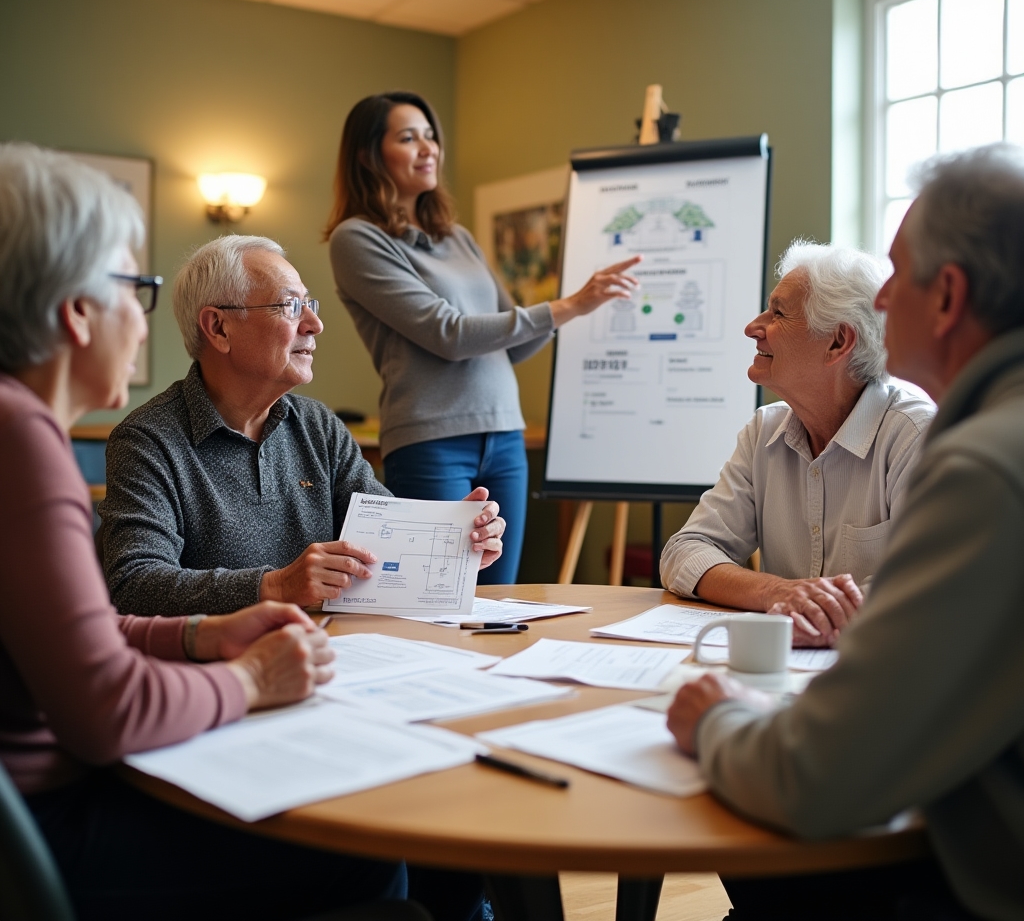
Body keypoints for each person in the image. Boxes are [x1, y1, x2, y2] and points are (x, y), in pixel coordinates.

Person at [0, 143, 407, 920]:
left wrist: (200, 637)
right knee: (370, 856)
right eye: (134, 287)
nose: (145, 315)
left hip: (47, 806)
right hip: (49, 831)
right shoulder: (26, 443)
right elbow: (105, 710)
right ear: (76, 312)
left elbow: (85, 630)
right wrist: (252, 679)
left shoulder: (17, 429)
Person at [667, 144, 1024, 921]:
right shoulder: (772, 431)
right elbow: (686, 551)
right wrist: (781, 591)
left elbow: (819, 777)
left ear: (950, 294)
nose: (885, 299)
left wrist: (716, 718)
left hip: (970, 878)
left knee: (772, 871)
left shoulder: (976, 462)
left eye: (900, 274)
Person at [99, 234, 506, 618]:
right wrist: (274, 587)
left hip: (333, 655)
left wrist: (456, 544)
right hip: (225, 670)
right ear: (219, 328)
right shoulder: (147, 440)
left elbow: (382, 543)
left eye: (310, 305)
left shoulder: (319, 427)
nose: (314, 323)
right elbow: (135, 585)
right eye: (290, 306)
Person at [325, 91, 640, 585]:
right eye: (409, 137)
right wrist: (568, 305)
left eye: (431, 136)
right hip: (431, 440)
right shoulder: (357, 239)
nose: (428, 147)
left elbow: (509, 341)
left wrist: (570, 312)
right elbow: (447, 333)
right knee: (437, 599)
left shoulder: (459, 237)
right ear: (369, 155)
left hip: (505, 434)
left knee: (497, 597)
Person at [660, 241, 933, 647]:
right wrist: (775, 592)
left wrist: (817, 612)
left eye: (778, 313)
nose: (753, 327)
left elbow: (923, 586)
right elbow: (685, 551)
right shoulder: (763, 432)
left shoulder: (914, 435)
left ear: (838, 343)